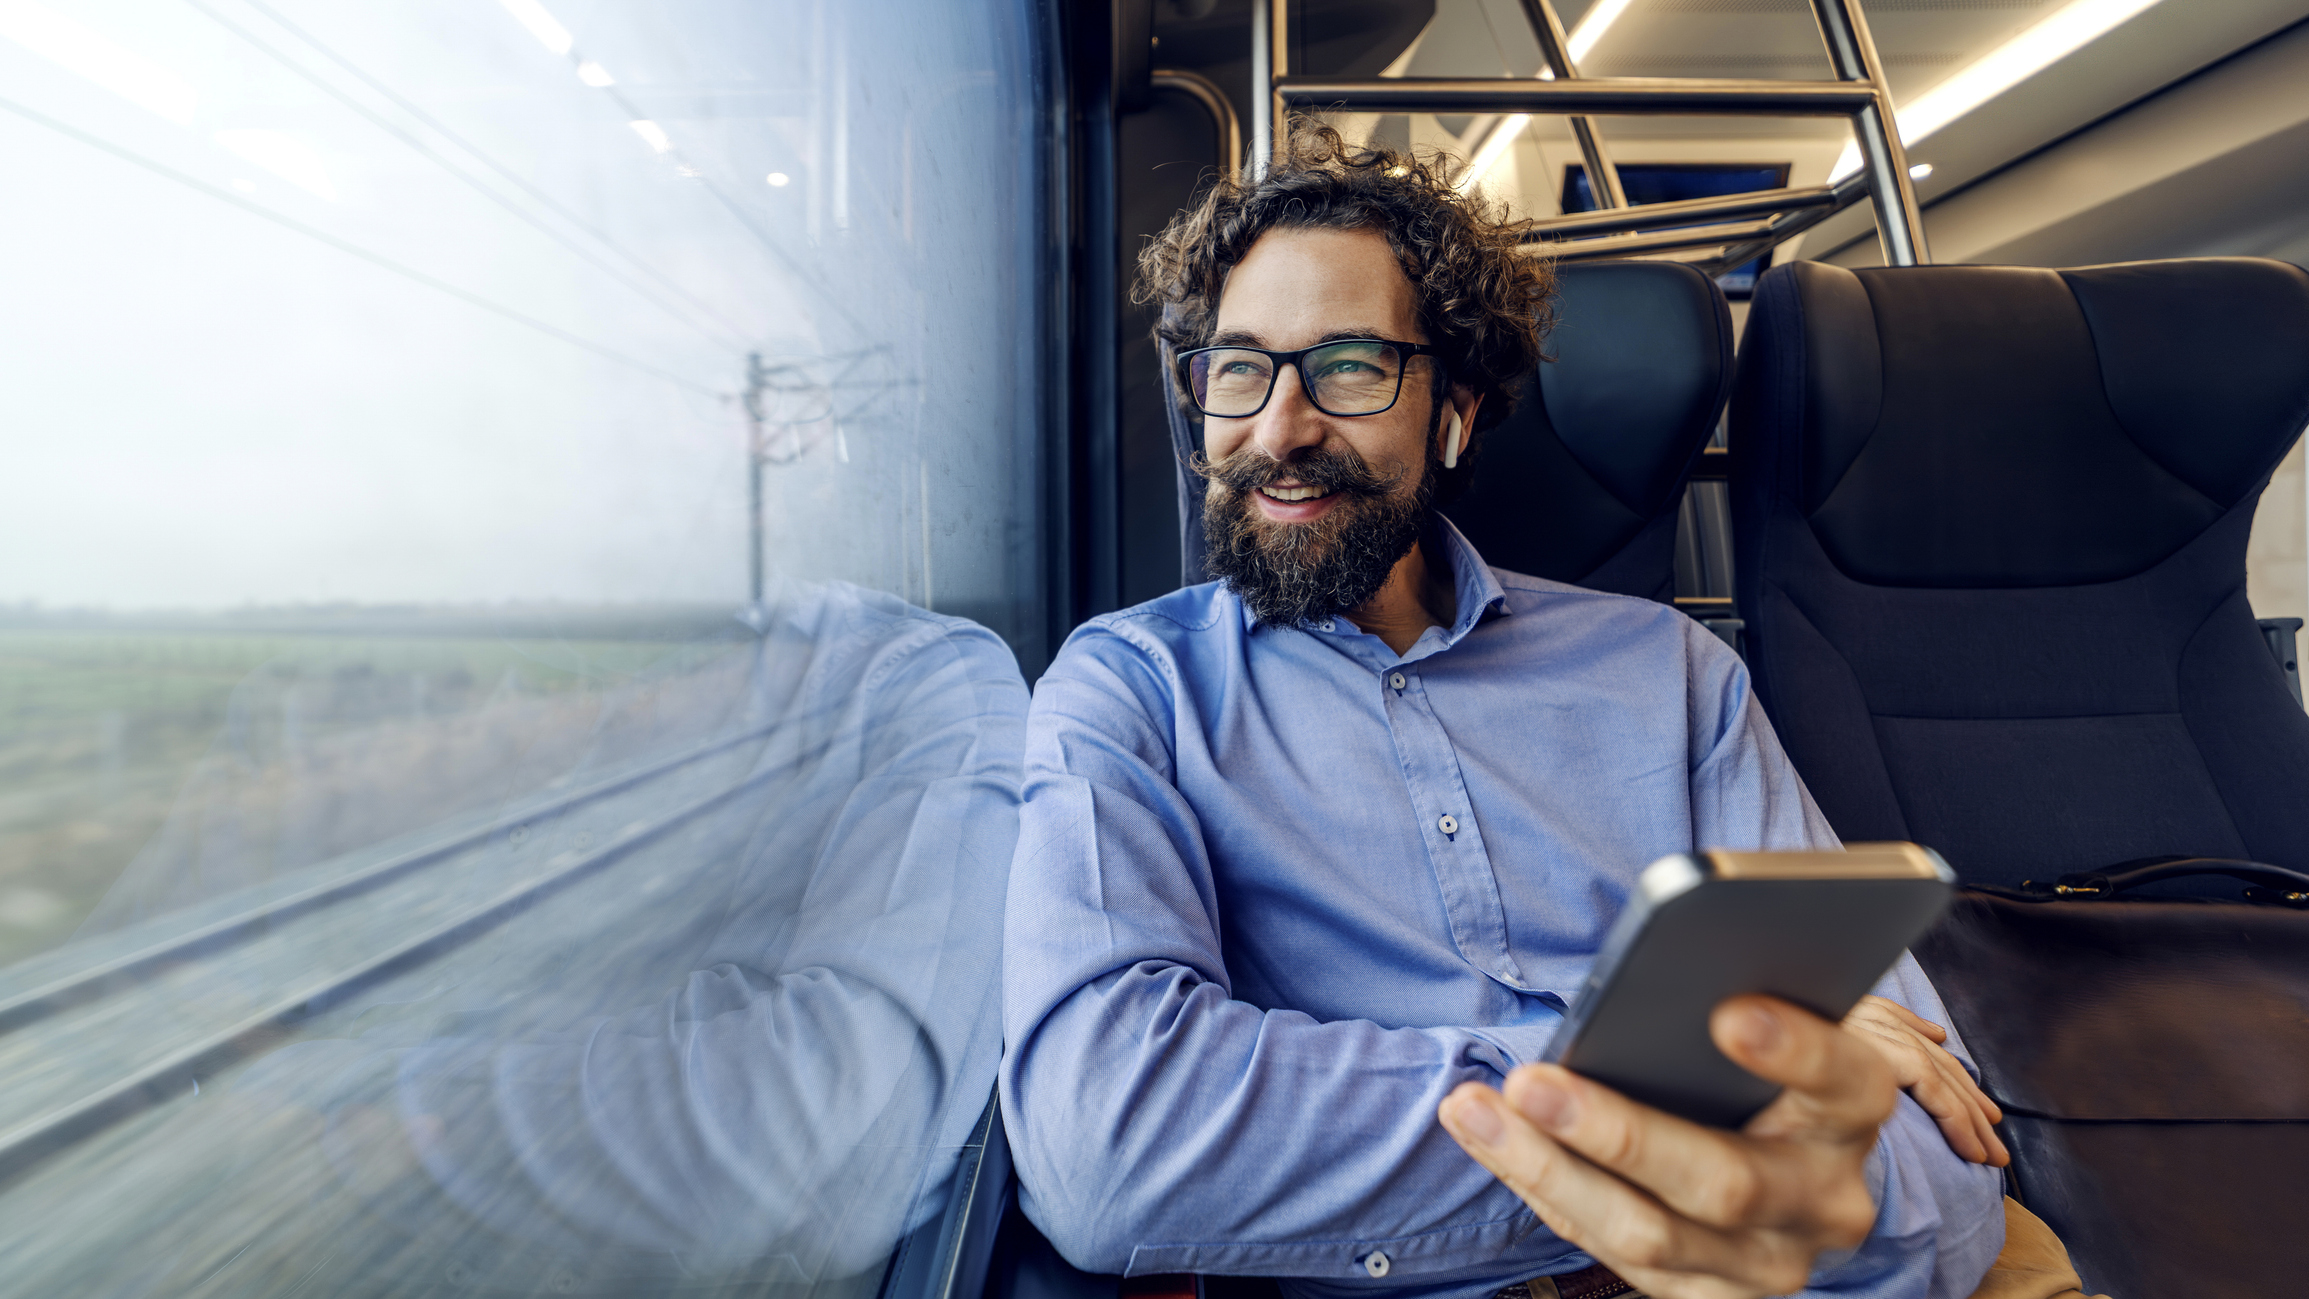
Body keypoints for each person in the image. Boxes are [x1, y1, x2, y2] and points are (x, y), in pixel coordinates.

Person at [1000, 122, 2008, 1299]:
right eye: (1237, 369)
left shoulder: (1668, 674)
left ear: (1456, 412)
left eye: (1346, 367)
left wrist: (1786, 1154)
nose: (1276, 430)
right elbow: (1113, 1150)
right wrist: (1679, 1089)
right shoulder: (1130, 692)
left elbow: (1934, 1136)